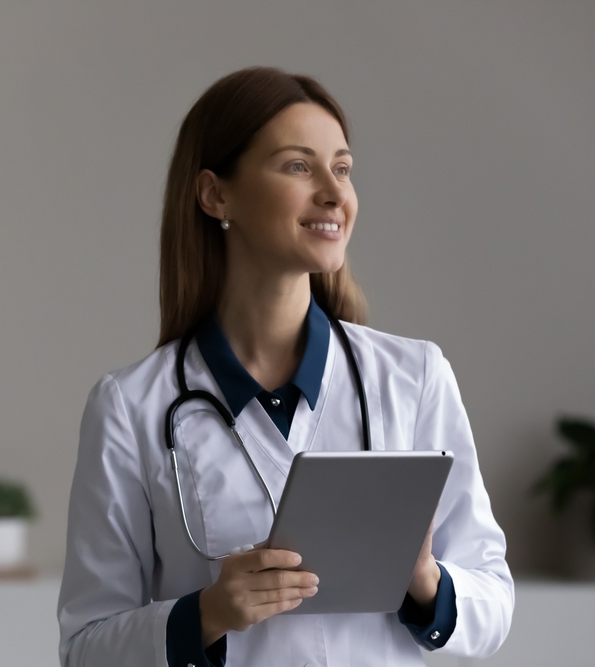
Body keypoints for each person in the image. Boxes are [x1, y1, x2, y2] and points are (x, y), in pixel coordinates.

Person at [57, 66, 513, 667]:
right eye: (299, 166)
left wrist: (426, 580)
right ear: (216, 195)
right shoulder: (130, 406)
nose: (334, 192)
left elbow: (493, 603)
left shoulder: (414, 378)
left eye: (343, 169)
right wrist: (210, 613)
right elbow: (86, 648)